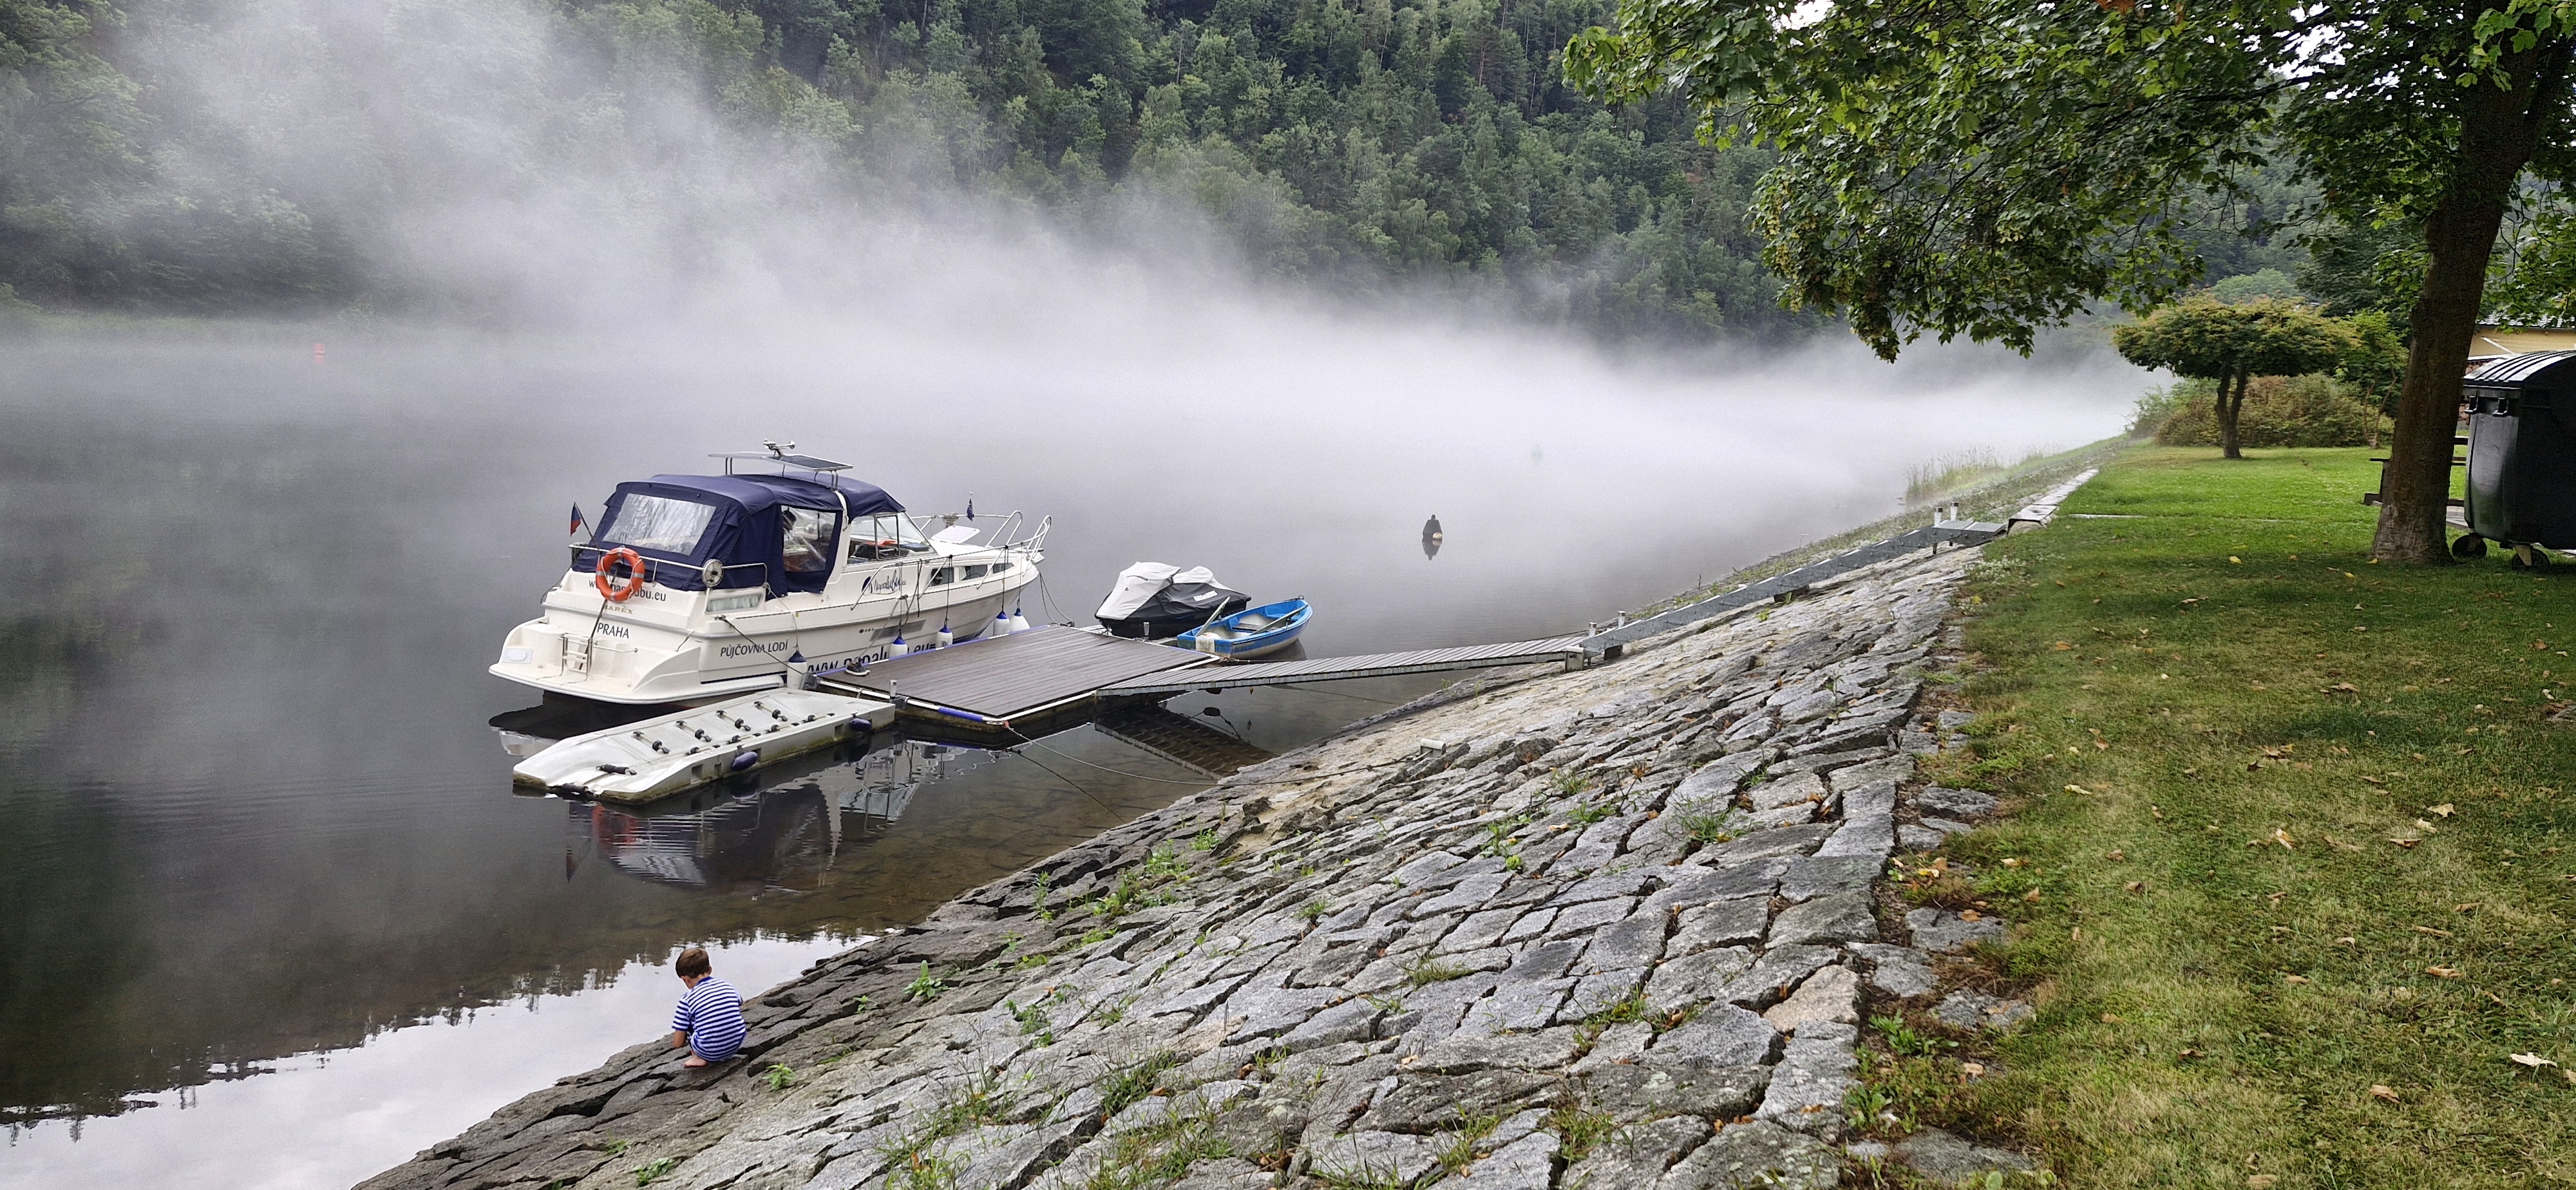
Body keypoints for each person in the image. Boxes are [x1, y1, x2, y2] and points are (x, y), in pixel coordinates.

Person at [667, 947, 747, 1068]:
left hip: (709, 1052)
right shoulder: (726, 985)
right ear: (710, 970)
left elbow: (677, 1043)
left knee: (689, 1022)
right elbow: (739, 1002)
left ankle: (699, 1057)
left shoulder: (686, 1000)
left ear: (686, 979)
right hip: (736, 1044)